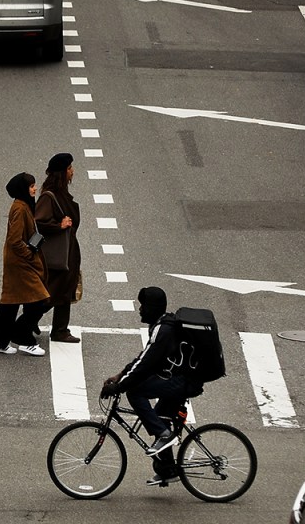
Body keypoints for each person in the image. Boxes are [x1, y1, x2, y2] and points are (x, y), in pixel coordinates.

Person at [99, 286, 205, 486]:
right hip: (180, 378)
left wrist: (120, 386)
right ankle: (168, 470)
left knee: (135, 392)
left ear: (153, 307)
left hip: (184, 381)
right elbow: (144, 358)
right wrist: (120, 375)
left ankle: (165, 436)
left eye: (143, 306)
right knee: (159, 419)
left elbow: (145, 365)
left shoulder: (163, 330)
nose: (140, 310)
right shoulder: (160, 326)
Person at [0, 172, 49, 357]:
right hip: (20, 263)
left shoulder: (21, 205)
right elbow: (15, 240)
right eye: (31, 186)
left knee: (10, 302)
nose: (35, 189)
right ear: (23, 189)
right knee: (39, 299)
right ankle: (23, 338)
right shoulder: (21, 209)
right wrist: (29, 253)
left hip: (16, 262)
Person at [34, 152, 81, 343]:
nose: (72, 171)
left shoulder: (61, 194)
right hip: (57, 256)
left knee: (65, 290)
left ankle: (60, 329)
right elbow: (39, 222)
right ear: (62, 173)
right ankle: (25, 323)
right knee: (53, 292)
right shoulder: (49, 196)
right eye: (69, 168)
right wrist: (59, 226)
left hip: (67, 252)